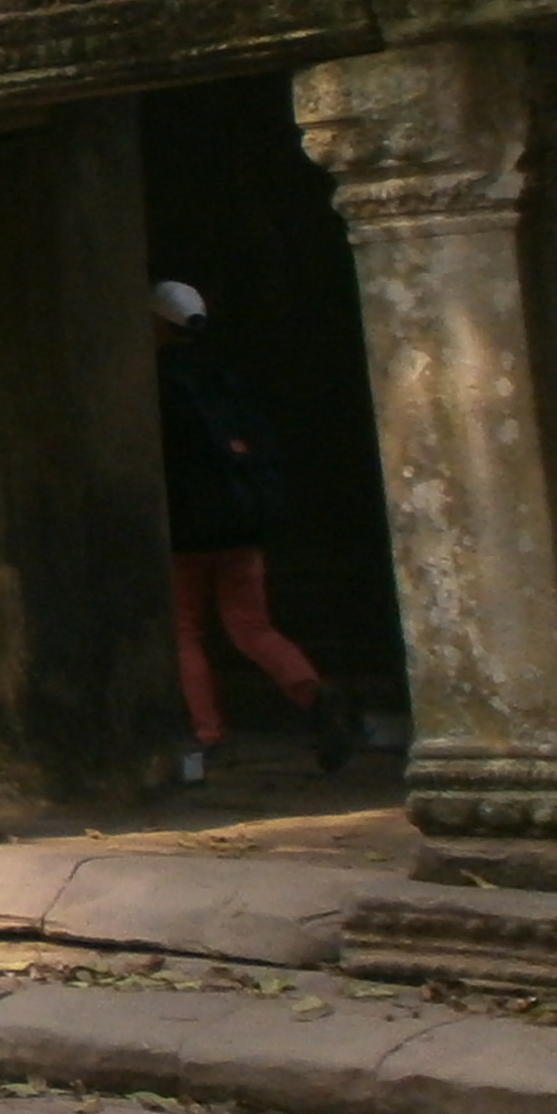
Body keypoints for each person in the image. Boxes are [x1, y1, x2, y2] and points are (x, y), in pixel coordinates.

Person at [152, 280, 358, 781]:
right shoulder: (224, 377)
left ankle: (207, 734)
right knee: (252, 626)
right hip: (241, 521)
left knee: (184, 631)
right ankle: (314, 692)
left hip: (186, 529)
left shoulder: (158, 382)